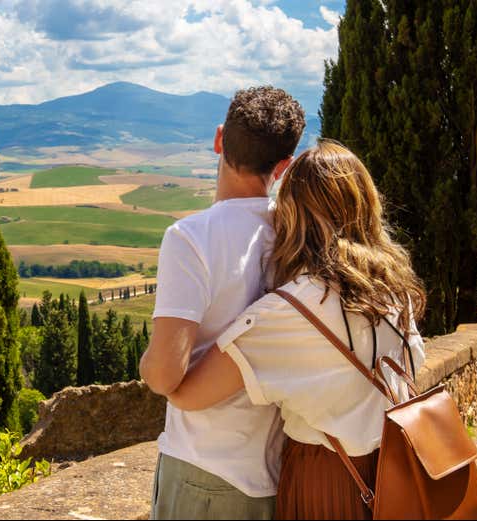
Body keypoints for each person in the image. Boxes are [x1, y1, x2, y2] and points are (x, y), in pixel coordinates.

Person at [164, 140, 427, 520]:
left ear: (294, 213)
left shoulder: (291, 312)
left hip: (327, 479)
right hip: (396, 469)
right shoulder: (394, 290)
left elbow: (187, 394)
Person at [140, 86, 306, 520]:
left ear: (219, 140)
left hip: (202, 468)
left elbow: (163, 375)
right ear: (284, 165)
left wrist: (147, 363)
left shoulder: (190, 239)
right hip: (275, 472)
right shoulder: (297, 239)